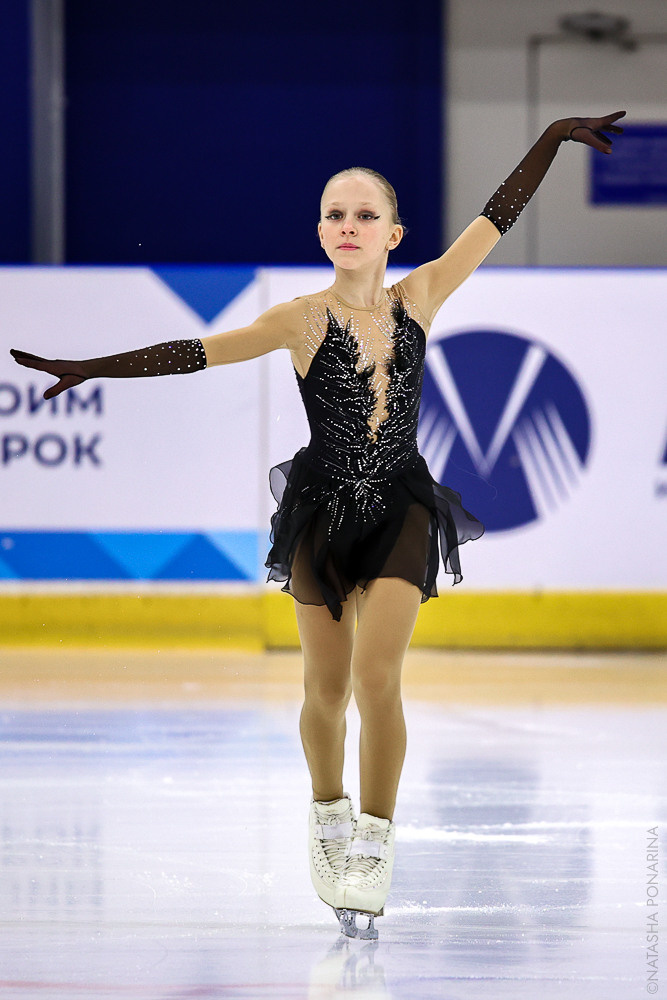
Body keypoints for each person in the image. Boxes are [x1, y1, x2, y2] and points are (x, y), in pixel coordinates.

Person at [11, 110, 625, 939]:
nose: (348, 225)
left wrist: (549, 138)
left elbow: (497, 216)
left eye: (365, 215)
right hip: (321, 511)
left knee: (379, 680)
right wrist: (92, 368)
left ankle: (372, 842)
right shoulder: (299, 320)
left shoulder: (424, 293)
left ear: (394, 232)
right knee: (325, 691)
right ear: (320, 231)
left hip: (403, 506)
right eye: (335, 214)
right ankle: (327, 813)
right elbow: (201, 351)